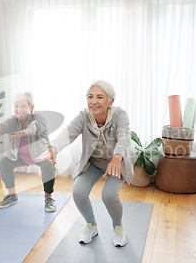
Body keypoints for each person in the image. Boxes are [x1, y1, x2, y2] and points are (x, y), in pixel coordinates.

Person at [37, 80, 137, 247]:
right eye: (90, 97)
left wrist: (117, 156)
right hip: (95, 163)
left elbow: (124, 136)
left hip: (116, 163)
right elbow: (68, 133)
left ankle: (118, 227)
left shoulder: (120, 115)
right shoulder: (84, 116)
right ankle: (92, 225)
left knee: (109, 195)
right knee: (78, 192)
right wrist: (53, 148)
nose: (93, 101)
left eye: (99, 97)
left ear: (110, 101)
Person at [0, 91, 56, 212]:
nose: (19, 109)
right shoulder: (13, 121)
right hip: (20, 157)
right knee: (3, 163)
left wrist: (27, 131)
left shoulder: (39, 118)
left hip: (40, 155)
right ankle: (12, 195)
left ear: (31, 107)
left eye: (23, 106)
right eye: (16, 106)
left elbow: (36, 126)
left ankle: (48, 197)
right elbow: (2, 125)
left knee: (48, 165)